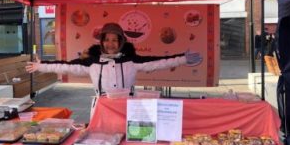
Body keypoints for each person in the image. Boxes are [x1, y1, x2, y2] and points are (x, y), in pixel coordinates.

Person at [26, 22, 202, 96]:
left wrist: (182, 59)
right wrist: (42, 66)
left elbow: (159, 62)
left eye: (115, 40)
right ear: (102, 41)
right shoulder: (92, 62)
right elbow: (64, 67)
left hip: (129, 106)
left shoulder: (131, 61)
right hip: (101, 107)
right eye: (107, 40)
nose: (111, 44)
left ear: (121, 42)